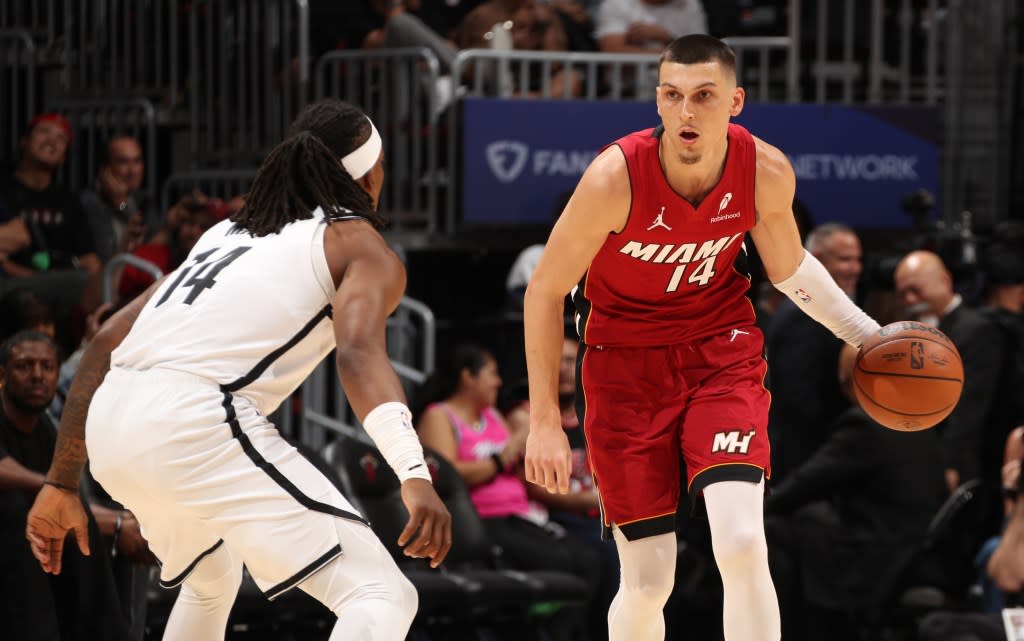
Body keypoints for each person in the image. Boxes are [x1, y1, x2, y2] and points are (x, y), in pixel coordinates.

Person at [24, 99, 452, 641]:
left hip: (113, 421)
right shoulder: (358, 243)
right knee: (382, 594)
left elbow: (106, 341)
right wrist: (413, 474)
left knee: (210, 577)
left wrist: (61, 483)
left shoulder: (225, 234)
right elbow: (358, 355)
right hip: (195, 419)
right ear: (369, 173)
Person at [523, 35, 883, 641]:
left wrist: (868, 336)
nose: (686, 113)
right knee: (648, 580)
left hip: (721, 355)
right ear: (658, 102)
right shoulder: (615, 178)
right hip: (623, 370)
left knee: (742, 542)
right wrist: (542, 421)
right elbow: (544, 291)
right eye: (672, 96)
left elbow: (790, 268)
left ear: (735, 101)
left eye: (704, 96)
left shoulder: (764, 170)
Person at [0, 330, 130, 641]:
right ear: (2, 375)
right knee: (21, 514)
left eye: (47, 367)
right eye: (24, 366)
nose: (37, 375)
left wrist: (120, 523)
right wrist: (53, 486)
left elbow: (70, 501)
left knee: (81, 530)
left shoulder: (46, 427)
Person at [893, 250, 1004, 492]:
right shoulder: (914, 331)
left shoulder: (976, 329)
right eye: (903, 294)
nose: (910, 300)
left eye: (915, 289)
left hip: (962, 462)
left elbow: (971, 405)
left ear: (945, 281)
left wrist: (950, 463)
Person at [765, 222, 864, 482]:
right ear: (816, 262)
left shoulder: (827, 311)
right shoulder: (802, 314)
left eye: (857, 259)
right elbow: (798, 403)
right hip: (804, 461)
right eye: (845, 259)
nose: (855, 268)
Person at [79, 134, 160, 263]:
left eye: (137, 161)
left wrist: (121, 203)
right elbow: (106, 255)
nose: (132, 170)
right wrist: (121, 203)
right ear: (105, 169)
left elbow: (150, 246)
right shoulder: (90, 202)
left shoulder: (143, 200)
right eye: (123, 162)